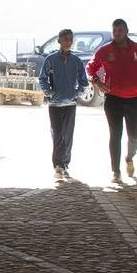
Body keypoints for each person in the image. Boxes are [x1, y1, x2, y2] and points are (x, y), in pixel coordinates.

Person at [86, 18, 137, 184]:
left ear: (126, 31)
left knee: (134, 136)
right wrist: (97, 82)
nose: (117, 33)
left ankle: (129, 157)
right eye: (114, 31)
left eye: (120, 30)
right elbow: (90, 67)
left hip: (134, 99)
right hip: (113, 99)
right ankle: (115, 171)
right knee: (115, 134)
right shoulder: (105, 50)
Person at [38, 28, 88, 181]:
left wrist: (76, 94)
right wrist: (50, 93)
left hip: (70, 104)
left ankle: (65, 165)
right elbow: (42, 79)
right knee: (57, 134)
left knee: (68, 135)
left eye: (70, 39)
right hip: (54, 104)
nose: (68, 42)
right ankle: (58, 165)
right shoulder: (51, 60)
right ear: (59, 41)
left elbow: (84, 81)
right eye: (65, 39)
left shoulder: (76, 61)